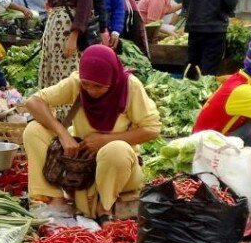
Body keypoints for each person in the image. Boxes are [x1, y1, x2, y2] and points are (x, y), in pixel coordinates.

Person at [24, 44, 160, 219]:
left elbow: (152, 129)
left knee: (116, 149)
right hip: (81, 166)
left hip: (119, 170)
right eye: (86, 85)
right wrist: (63, 134)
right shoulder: (77, 82)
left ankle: (105, 208)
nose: (91, 91)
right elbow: (33, 102)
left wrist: (105, 140)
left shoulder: (129, 87)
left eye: (99, 86)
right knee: (34, 130)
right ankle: (54, 200)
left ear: (112, 80)